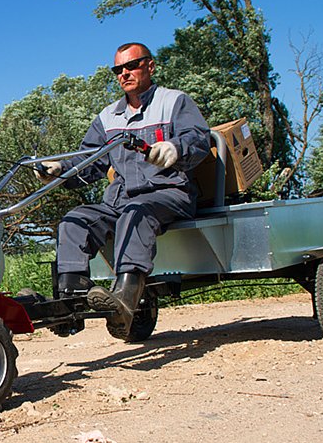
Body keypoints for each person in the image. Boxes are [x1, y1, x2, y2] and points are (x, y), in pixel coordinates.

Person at [36, 42, 211, 337]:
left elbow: (199, 139)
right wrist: (60, 171)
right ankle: (70, 303)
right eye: (118, 69)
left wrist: (175, 147)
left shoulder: (174, 102)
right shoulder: (108, 118)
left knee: (135, 212)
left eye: (131, 66)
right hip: (121, 198)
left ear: (150, 66)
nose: (124, 73)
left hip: (169, 192)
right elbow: (88, 162)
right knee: (74, 221)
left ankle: (124, 304)